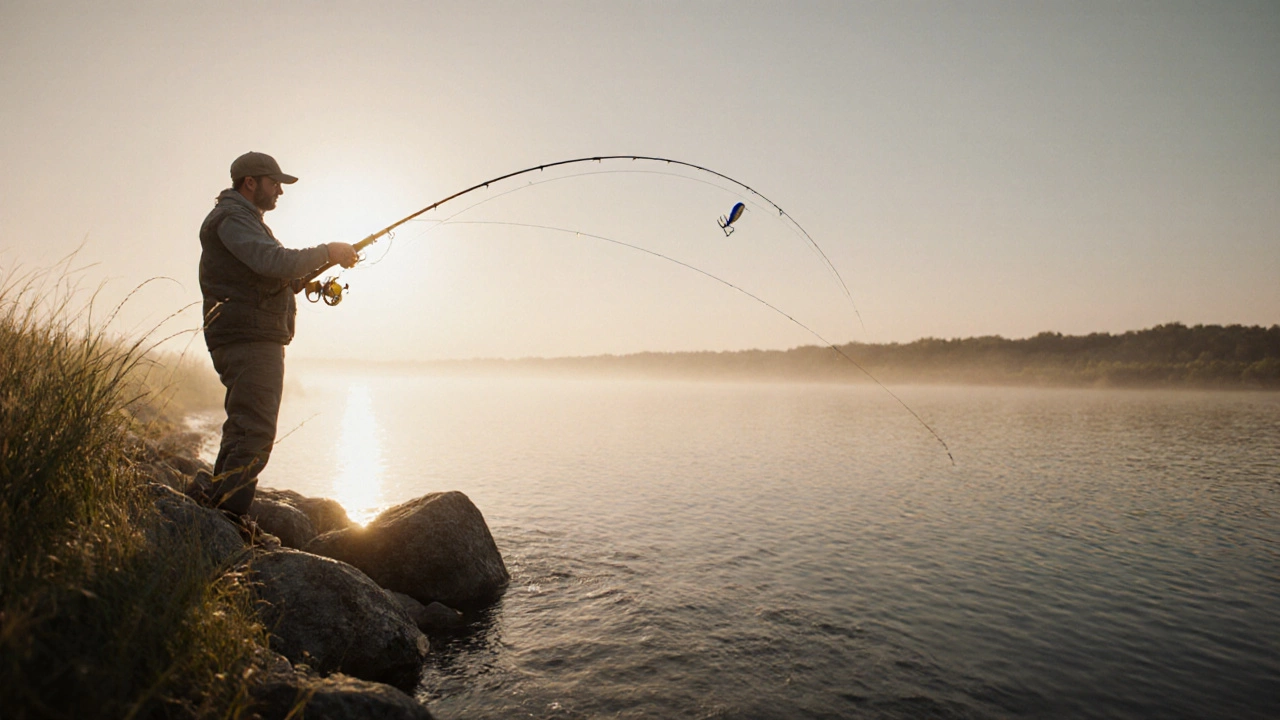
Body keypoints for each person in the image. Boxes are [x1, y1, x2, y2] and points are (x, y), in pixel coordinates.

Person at [194, 151, 358, 518]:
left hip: (249, 334)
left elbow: (268, 276)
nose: (280, 192)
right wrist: (327, 251)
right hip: (248, 339)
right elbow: (272, 261)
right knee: (254, 433)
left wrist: (310, 272)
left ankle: (217, 512)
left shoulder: (243, 219)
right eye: (275, 183)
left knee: (243, 428)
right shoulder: (232, 219)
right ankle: (227, 520)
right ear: (250, 183)